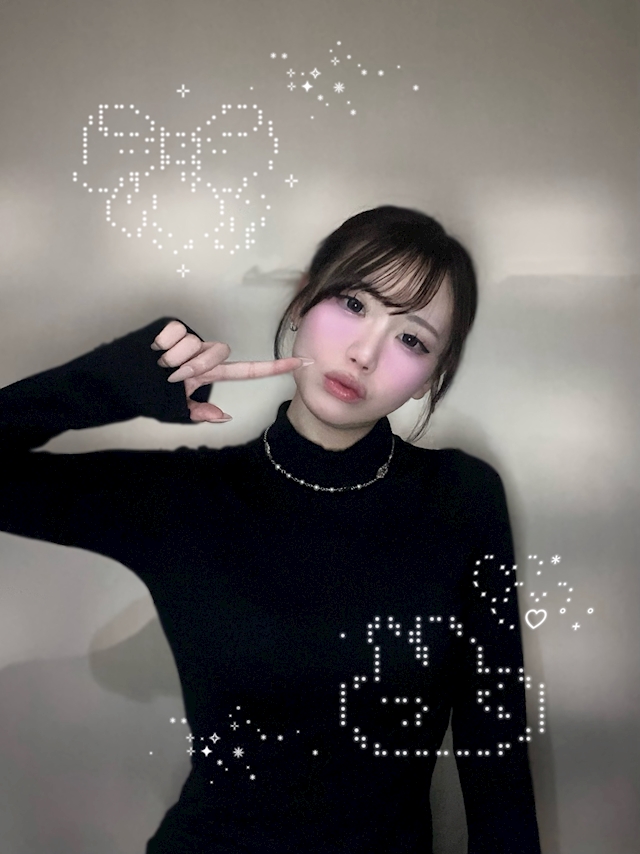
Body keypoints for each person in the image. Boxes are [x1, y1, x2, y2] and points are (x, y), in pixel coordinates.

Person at [0, 205, 542, 853]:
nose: (364, 353)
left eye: (412, 340)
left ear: (435, 375)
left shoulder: (462, 499)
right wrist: (113, 382)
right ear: (303, 301)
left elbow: (497, 762)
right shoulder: (188, 500)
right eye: (353, 303)